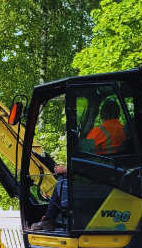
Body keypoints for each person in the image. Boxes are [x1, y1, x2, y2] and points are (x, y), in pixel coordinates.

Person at [32, 99, 129, 232]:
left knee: (63, 181)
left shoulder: (99, 131)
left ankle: (49, 220)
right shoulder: (123, 129)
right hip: (114, 170)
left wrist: (63, 169)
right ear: (117, 113)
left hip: (99, 174)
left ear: (103, 113)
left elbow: (82, 160)